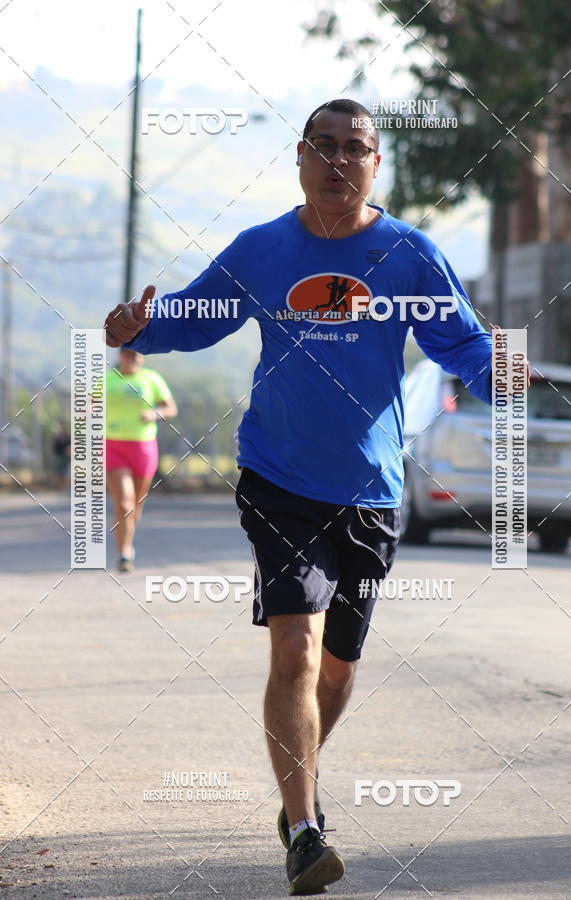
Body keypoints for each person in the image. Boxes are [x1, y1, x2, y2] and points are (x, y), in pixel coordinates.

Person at [103, 98, 499, 894]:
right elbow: (197, 315)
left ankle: (297, 790)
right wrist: (138, 329)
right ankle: (306, 831)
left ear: (375, 163)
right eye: (324, 146)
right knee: (295, 647)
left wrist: (509, 378)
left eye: (355, 149)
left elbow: (464, 344)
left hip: (371, 489)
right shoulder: (264, 250)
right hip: (278, 479)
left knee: (339, 673)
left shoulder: (408, 254)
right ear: (300, 154)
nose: (338, 161)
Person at [105, 349, 177, 572]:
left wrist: (154, 414)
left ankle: (127, 539)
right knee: (124, 502)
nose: (132, 359)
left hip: (143, 447)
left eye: (136, 355)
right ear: (120, 356)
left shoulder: (152, 379)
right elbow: (87, 404)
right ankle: (124, 553)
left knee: (135, 505)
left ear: (142, 357)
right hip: (113, 445)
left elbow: (170, 408)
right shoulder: (106, 379)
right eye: (127, 355)